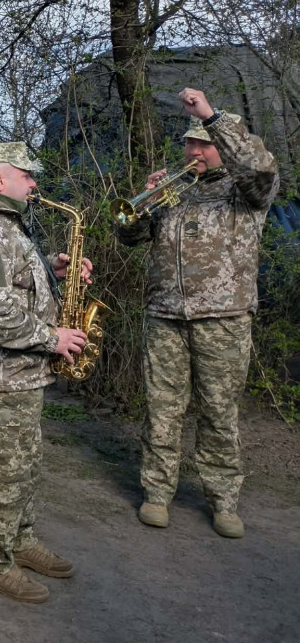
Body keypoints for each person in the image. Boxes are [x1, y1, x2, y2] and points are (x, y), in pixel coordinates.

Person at [118, 88, 279, 539]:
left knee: (219, 412)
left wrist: (212, 117)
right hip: (166, 316)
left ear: (221, 145)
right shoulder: (176, 190)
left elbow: (259, 168)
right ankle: (156, 493)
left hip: (224, 319)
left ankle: (224, 501)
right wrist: (143, 206)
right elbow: (128, 238)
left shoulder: (246, 192)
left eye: (201, 143)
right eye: (189, 142)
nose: (192, 151)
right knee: (162, 410)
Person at [0, 141, 91, 604]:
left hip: (19, 371)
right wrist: (55, 339)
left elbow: (11, 284)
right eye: (27, 175)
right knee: (4, 472)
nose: (35, 184)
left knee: (25, 463)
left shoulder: (3, 224)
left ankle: (18, 540)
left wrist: (52, 272)